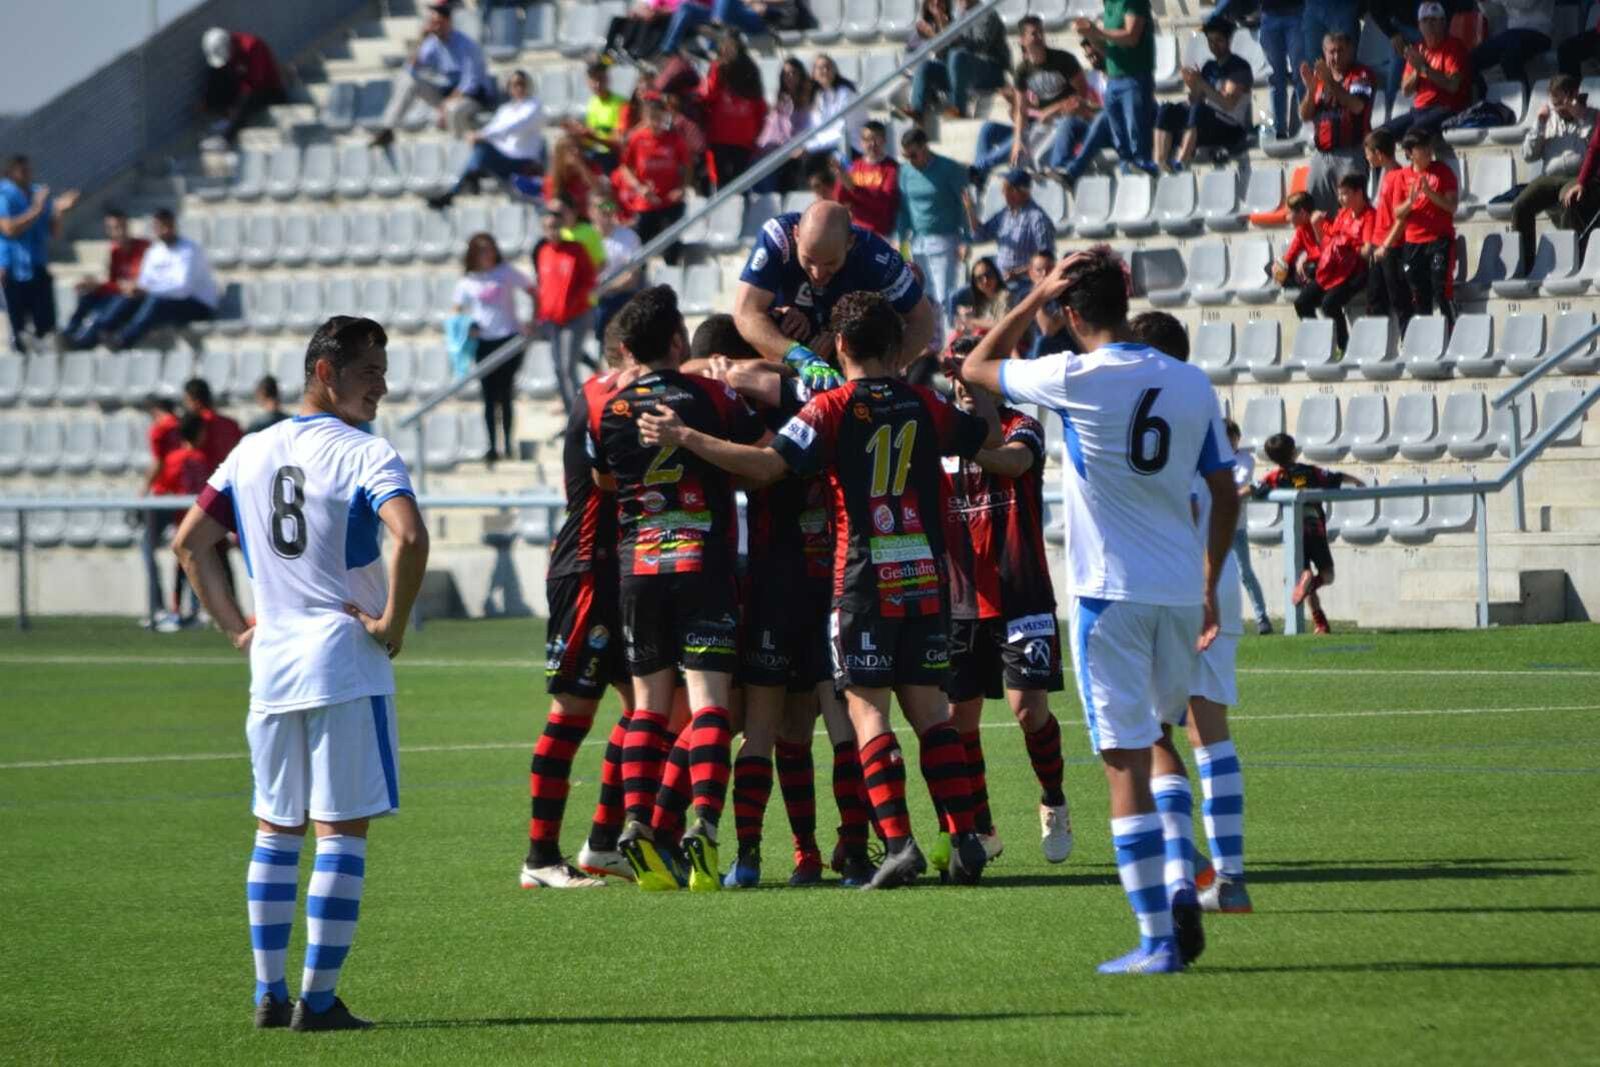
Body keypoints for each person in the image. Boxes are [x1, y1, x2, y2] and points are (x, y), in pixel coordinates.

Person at [640, 291, 999, 889]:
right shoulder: (924, 402)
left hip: (862, 579)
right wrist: (975, 379)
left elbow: (766, 467)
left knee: (867, 710)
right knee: (931, 712)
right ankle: (964, 839)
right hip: (922, 574)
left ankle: (899, 843)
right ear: (893, 344)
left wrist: (687, 437)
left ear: (841, 345)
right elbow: (985, 434)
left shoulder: (830, 407)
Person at [961, 247, 1239, 974]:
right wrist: (1210, 580)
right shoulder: (1189, 381)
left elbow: (976, 366)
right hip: (1180, 595)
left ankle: (1157, 937)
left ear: (1071, 312)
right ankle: (1183, 875)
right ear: (1128, 298)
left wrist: (1033, 298)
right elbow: (1225, 488)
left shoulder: (1072, 375)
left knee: (1123, 764)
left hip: (1110, 597)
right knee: (1160, 738)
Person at [171, 314, 429, 1031]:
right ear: (325, 372)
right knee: (340, 832)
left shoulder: (250, 450)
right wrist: (391, 624)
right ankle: (317, 1001)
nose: (382, 386)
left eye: (383, 372)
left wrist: (236, 629)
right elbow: (410, 536)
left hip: (273, 665)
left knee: (276, 831)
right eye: (370, 372)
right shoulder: (365, 452)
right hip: (343, 661)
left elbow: (189, 542)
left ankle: (268, 993)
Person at [588, 286, 768, 892]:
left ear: (626, 349)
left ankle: (636, 823)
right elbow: (759, 457)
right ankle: (704, 825)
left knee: (648, 705)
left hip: (639, 567)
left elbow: (603, 479)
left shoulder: (610, 407)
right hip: (703, 562)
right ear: (676, 341)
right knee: (711, 702)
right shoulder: (712, 396)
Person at [1126, 312, 1254, 915]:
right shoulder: (1201, 401)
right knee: (1209, 730)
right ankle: (1227, 876)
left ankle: (1183, 872)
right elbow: (1224, 495)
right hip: (1215, 577)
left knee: (1153, 733)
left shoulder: (1134, 405)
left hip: (1165, 583)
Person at [939, 343, 1073, 868]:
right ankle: (981, 826)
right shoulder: (940, 435)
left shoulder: (1024, 425)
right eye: (956, 376)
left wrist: (967, 439)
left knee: (1028, 710)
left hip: (1022, 595)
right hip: (959, 601)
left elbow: (1014, 463)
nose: (962, 385)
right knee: (958, 720)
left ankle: (1054, 800)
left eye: (971, 375)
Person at [524, 356, 638, 889]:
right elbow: (606, 477)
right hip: (587, 568)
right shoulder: (598, 393)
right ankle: (540, 857)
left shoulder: (636, 394)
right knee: (573, 710)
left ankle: (603, 844)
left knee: (649, 708)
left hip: (625, 572)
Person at [732, 201, 937, 373]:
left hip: (849, 361)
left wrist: (878, 373)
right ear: (796, 235)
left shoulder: (876, 256)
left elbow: (923, 321)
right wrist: (801, 358)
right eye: (808, 260)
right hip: (784, 349)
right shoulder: (778, 238)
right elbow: (745, 312)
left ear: (850, 243)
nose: (817, 273)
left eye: (830, 263)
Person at [1252, 432, 1364, 634]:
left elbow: (1254, 488)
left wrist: (1234, 496)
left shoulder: (1275, 477)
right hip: (1316, 531)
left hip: (1294, 534)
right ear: (1294, 452)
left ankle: (1320, 622)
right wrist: (1357, 481)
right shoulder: (1310, 471)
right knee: (1327, 575)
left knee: (1303, 576)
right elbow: (1335, 477)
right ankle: (1316, 609)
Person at [971, 17, 1087, 182]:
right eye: (1034, 34)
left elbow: (1082, 94)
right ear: (1022, 40)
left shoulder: (1063, 60)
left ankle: (977, 171)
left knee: (1028, 139)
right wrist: (1017, 140)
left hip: (1065, 122)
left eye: (1041, 32)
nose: (1039, 37)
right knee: (1000, 132)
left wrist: (1053, 109)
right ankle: (979, 174)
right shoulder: (1023, 70)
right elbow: (1021, 110)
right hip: (1041, 125)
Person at [454, 232, 536, 463]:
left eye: (489, 249)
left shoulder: (505, 272)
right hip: (483, 342)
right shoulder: (467, 281)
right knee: (489, 397)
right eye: (482, 251)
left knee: (506, 394)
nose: (487, 255)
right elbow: (457, 310)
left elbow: (532, 290)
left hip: (508, 338)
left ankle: (508, 444)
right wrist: (467, 325)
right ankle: (492, 446)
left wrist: (532, 320)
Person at [370, 3, 494, 147]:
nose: (435, 27)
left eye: (438, 23)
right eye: (432, 23)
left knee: (453, 109)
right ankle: (388, 129)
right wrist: (421, 39)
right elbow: (411, 68)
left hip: (474, 97)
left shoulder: (466, 45)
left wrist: (446, 105)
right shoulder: (432, 43)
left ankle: (458, 147)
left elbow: (471, 83)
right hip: (447, 93)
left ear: (448, 22)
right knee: (409, 81)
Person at [98, 210, 219, 351]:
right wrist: (136, 289)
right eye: (160, 227)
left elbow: (183, 289)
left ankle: (124, 340)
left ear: (174, 226)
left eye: (167, 226)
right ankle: (104, 329)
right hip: (167, 301)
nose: (164, 231)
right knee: (130, 297)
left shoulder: (189, 250)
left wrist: (147, 289)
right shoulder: (154, 251)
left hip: (197, 305)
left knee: (155, 301)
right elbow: (145, 281)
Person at [1513, 75, 1598, 275]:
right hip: (1550, 178)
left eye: (1561, 102)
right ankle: (1526, 264)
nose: (1558, 108)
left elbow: (1595, 149)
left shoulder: (1592, 116)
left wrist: (1580, 117)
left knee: (1568, 200)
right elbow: (1528, 155)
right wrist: (1539, 125)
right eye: (1554, 103)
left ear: (1574, 95)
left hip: (1579, 177)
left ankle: (1570, 261)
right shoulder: (1547, 118)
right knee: (1520, 205)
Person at [426, 70, 545, 210]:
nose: (518, 88)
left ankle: (465, 184)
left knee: (482, 148)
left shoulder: (533, 105)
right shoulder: (506, 109)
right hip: (504, 158)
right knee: (480, 147)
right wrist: (479, 135)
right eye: (513, 85)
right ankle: (470, 179)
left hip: (522, 161)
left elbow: (514, 126)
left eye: (521, 84)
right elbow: (494, 127)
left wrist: (482, 135)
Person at [1069, 0, 1159, 180]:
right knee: (1120, 139)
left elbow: (1132, 37)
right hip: (1114, 79)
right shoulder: (1109, 4)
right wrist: (1089, 35)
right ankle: (1128, 178)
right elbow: (1107, 49)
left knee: (1136, 136)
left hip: (1134, 77)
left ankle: (1144, 178)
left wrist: (1096, 31)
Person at [1153, 17, 1253, 172]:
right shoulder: (1209, 67)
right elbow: (1196, 99)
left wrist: (1202, 84)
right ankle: (1159, 161)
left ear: (1228, 40)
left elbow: (1228, 103)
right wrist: (1192, 85)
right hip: (1206, 124)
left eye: (1219, 40)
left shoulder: (1239, 67)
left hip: (1230, 127)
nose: (1214, 46)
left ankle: (1182, 160)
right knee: (1167, 109)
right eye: (1210, 41)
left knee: (1198, 110)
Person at [1, 155, 79, 351]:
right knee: (19, 325)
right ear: (11, 173)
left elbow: (54, 233)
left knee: (46, 323)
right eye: (22, 171)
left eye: (28, 170)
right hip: (12, 268)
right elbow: (9, 229)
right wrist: (36, 209)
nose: (27, 174)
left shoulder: (37, 193)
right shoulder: (5, 195)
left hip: (37, 264)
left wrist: (58, 211)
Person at [1382, 129, 1458, 330]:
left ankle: (1453, 334)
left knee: (1441, 290)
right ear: (1409, 153)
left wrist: (1429, 193)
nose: (1427, 151)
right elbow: (1398, 212)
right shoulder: (1402, 176)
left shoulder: (1443, 171)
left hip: (1439, 240)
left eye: (1428, 146)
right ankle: (1426, 338)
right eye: (1421, 148)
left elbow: (1451, 206)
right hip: (1413, 243)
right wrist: (1410, 201)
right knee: (1419, 294)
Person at [896, 127, 974, 322]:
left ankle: (947, 332)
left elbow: (964, 205)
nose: (910, 160)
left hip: (945, 239)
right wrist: (901, 238)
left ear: (925, 148)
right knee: (925, 295)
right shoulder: (905, 171)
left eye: (913, 155)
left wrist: (966, 239)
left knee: (944, 295)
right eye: (906, 156)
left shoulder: (949, 168)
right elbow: (904, 207)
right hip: (918, 241)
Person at [142, 407, 207, 632]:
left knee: (182, 567)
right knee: (192, 565)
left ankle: (177, 611)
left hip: (180, 521)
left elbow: (162, 489)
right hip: (198, 521)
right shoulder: (200, 459)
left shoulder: (174, 459)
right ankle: (193, 611)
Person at [534, 198, 601, 411]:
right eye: (547, 227)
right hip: (552, 319)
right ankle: (570, 412)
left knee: (567, 366)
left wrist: (573, 302)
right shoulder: (543, 252)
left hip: (575, 316)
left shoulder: (576, 249)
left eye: (555, 226)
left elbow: (589, 280)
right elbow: (543, 285)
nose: (552, 231)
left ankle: (579, 413)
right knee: (558, 368)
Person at [1293, 174, 1373, 352]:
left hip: (1355, 271)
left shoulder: (1369, 216)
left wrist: (1349, 245)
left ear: (1358, 193)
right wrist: (1317, 226)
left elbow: (1367, 252)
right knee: (1302, 302)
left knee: (1329, 304)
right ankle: (1317, 345)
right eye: (1339, 194)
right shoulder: (1343, 214)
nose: (1340, 198)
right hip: (1334, 269)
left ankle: (1344, 347)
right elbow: (1327, 244)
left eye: (1344, 194)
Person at [1298, 31, 1374, 213]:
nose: (1336, 56)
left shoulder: (1361, 75)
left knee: (1354, 209)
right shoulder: (1318, 79)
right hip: (1322, 154)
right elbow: (1305, 115)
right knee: (1316, 212)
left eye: (1341, 51)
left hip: (1351, 152)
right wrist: (1311, 90)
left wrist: (1330, 82)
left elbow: (1357, 106)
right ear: (1324, 53)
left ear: (1350, 51)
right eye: (1331, 52)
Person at [615, 95, 693, 263]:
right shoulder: (637, 138)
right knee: (639, 247)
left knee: (671, 246)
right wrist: (639, 187)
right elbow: (625, 168)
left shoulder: (675, 139)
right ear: (644, 117)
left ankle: (671, 271)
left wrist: (682, 188)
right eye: (651, 117)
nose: (655, 122)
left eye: (659, 117)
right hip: (646, 202)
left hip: (670, 201)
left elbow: (687, 166)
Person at [905, 0, 1010, 122]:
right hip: (964, 70)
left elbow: (980, 46)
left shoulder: (987, 14)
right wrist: (935, 37)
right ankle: (917, 110)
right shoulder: (958, 17)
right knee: (926, 67)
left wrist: (950, 35)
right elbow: (945, 56)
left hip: (991, 72)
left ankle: (958, 109)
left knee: (957, 56)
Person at [1378, 2, 1470, 140]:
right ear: (1419, 26)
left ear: (1443, 22)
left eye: (1434, 20)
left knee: (1412, 135)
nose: (1429, 25)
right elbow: (1406, 91)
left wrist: (1424, 68)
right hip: (1418, 110)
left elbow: (1453, 86)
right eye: (1425, 20)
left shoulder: (1455, 47)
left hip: (1446, 109)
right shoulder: (1418, 49)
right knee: (1379, 136)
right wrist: (1417, 70)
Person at [62, 206, 147, 350]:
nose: (118, 232)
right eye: (112, 228)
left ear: (127, 226)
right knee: (87, 294)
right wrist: (93, 285)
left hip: (134, 297)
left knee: (114, 305)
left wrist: (105, 286)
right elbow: (115, 282)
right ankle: (68, 333)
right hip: (118, 292)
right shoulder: (114, 251)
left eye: (120, 226)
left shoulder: (143, 247)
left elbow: (134, 284)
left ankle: (82, 342)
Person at [963, 168, 1056, 290]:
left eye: (1005, 188)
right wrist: (970, 210)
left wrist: (1017, 273)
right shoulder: (1004, 214)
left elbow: (1047, 260)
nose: (1002, 192)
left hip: (1024, 283)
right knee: (961, 295)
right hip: (1001, 279)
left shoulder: (1038, 219)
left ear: (1015, 191)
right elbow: (980, 236)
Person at [698, 34, 768, 188]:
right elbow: (706, 96)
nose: (729, 51)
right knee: (720, 185)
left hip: (743, 141)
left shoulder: (750, 72)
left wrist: (754, 136)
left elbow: (760, 109)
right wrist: (717, 72)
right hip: (719, 140)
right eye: (725, 47)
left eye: (732, 47)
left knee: (740, 185)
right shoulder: (717, 70)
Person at [200, 26, 287, 144]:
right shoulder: (229, 50)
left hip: (268, 91)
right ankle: (220, 118)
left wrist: (235, 106)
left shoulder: (252, 46)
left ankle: (226, 138)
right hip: (245, 88)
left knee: (247, 99)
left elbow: (254, 83)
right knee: (216, 74)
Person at [1363, 128, 1413, 325]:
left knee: (1399, 300)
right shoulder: (1386, 174)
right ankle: (1376, 342)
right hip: (1379, 245)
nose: (1367, 158)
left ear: (1378, 153)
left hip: (1391, 247)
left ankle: (1410, 339)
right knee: (1374, 300)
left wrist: (1386, 245)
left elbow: (1401, 218)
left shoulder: (1399, 176)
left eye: (1368, 154)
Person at [754, 58, 816, 193]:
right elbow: (773, 130)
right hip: (774, 149)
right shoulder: (780, 100)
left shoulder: (808, 100)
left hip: (795, 150)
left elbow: (807, 128)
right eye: (786, 74)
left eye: (793, 73)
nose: (790, 77)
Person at [831, 120, 899, 237]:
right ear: (861, 142)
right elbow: (840, 200)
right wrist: (840, 178)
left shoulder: (892, 168)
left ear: (884, 140)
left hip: (880, 233)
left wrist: (854, 189)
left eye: (876, 139)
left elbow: (883, 203)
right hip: (855, 230)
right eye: (867, 139)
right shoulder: (853, 166)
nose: (872, 144)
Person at [593, 198, 645, 347]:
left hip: (621, 295)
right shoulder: (586, 237)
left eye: (610, 208)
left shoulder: (629, 236)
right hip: (592, 296)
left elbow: (633, 276)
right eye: (601, 209)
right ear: (592, 211)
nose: (607, 213)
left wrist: (607, 288)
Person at [1469, 0, 1550, 95]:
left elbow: (1525, 3)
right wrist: (1483, 3)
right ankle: (1484, 98)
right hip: (1512, 33)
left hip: (1538, 32)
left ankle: (1523, 98)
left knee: (1509, 57)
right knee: (1472, 59)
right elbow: (1494, 14)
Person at [563, 61, 628, 173]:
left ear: (608, 79)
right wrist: (578, 132)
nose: (597, 85)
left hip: (613, 158)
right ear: (588, 82)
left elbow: (619, 143)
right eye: (593, 80)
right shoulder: (593, 102)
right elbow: (592, 132)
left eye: (601, 79)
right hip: (595, 154)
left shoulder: (621, 104)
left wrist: (592, 137)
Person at [1257, 0, 1306, 141]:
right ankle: (1280, 130)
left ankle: (1306, 124)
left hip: (1296, 12)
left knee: (1301, 73)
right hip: (1268, 14)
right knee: (1275, 76)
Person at [806, 54, 863, 167]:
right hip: (826, 146)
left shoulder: (846, 93)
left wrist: (810, 147)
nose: (825, 70)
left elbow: (841, 131)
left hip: (849, 146)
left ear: (835, 70)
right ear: (814, 74)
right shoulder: (818, 95)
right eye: (820, 68)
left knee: (814, 161)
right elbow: (814, 130)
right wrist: (807, 147)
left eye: (828, 67)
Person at [185, 377, 245, 477]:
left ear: (194, 400)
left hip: (204, 480)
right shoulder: (231, 424)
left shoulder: (195, 425)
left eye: (187, 400)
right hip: (230, 478)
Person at [948, 255, 1011, 332]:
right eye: (979, 278)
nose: (985, 280)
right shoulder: (981, 299)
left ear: (996, 275)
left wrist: (972, 321)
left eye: (988, 275)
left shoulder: (1005, 296)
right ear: (975, 283)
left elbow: (1002, 324)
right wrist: (966, 315)